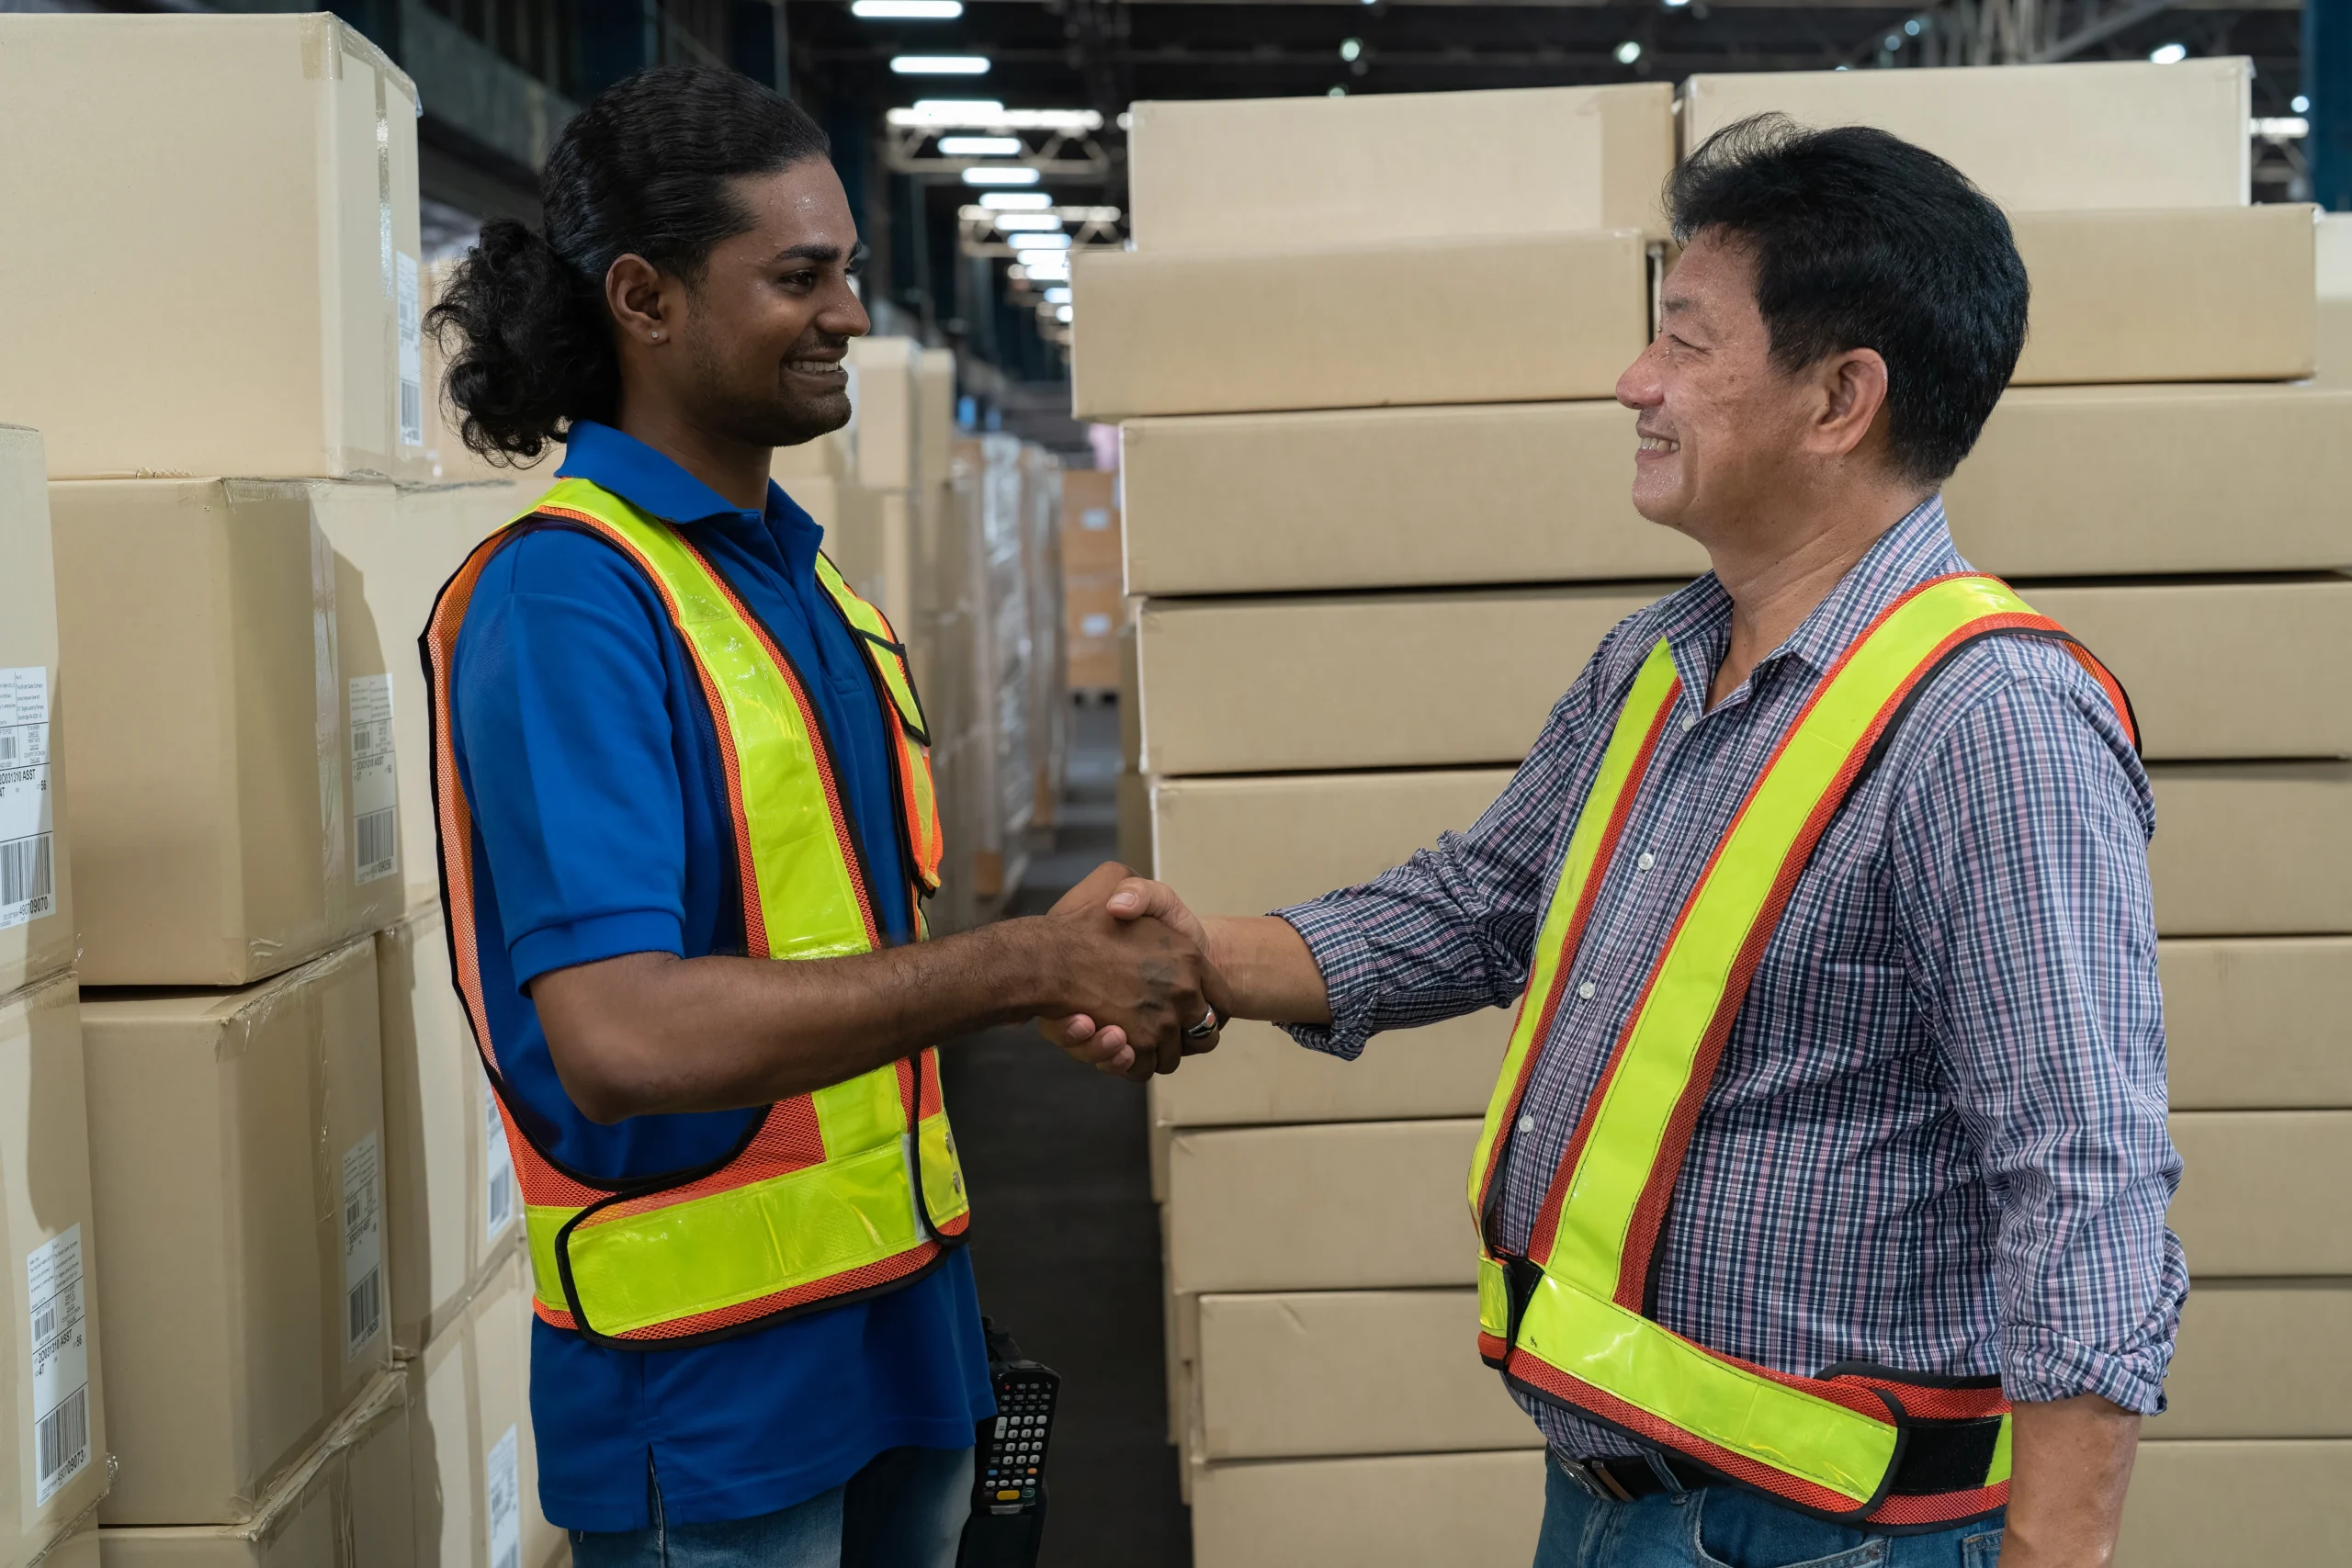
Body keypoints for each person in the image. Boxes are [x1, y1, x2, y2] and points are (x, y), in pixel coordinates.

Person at [1051, 117, 2184, 1568]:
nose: (1633, 382)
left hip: (1831, 1535)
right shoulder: (1658, 661)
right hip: (1613, 1499)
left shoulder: (1990, 721)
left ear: (1841, 398)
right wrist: (1193, 954)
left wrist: (2059, 1550)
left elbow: (2080, 1168)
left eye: (1686, 344)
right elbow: (1480, 907)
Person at [423, 65, 1220, 1568]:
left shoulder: (806, 584)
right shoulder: (567, 596)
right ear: (645, 298)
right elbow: (621, 1035)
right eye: (801, 276)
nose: (851, 312)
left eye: (846, 269)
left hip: (896, 1335)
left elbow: (841, 954)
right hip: (717, 1395)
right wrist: (1024, 967)